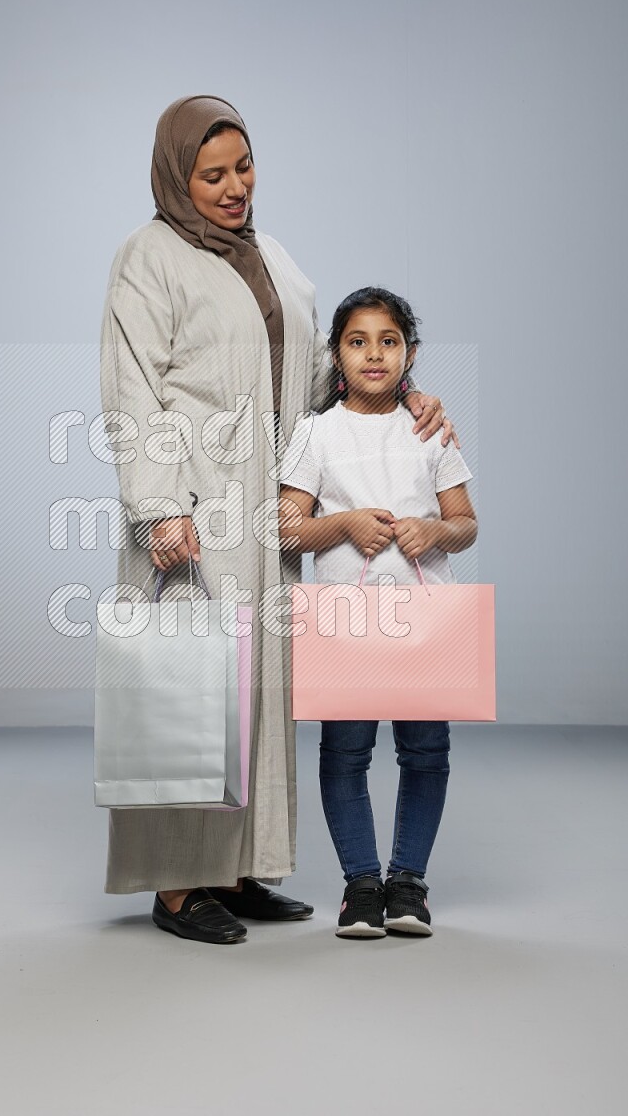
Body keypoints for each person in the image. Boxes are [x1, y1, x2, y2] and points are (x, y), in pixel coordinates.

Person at [99, 97, 456, 944]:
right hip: (193, 505)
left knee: (257, 694)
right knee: (191, 695)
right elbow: (131, 388)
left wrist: (403, 393)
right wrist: (157, 508)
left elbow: (325, 379)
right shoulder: (147, 258)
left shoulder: (273, 255)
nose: (234, 188)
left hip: (274, 508)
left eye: (244, 167)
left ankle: (237, 868)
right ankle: (179, 885)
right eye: (212, 174)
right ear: (177, 176)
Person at [278, 286, 477, 938]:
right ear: (336, 354)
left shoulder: (429, 430)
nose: (374, 354)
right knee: (346, 752)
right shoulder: (316, 432)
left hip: (424, 620)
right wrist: (343, 523)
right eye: (357, 340)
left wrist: (435, 533)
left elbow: (465, 523)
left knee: (425, 751)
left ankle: (408, 885)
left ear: (409, 353)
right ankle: (361, 885)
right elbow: (287, 528)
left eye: (388, 341)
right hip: (345, 619)